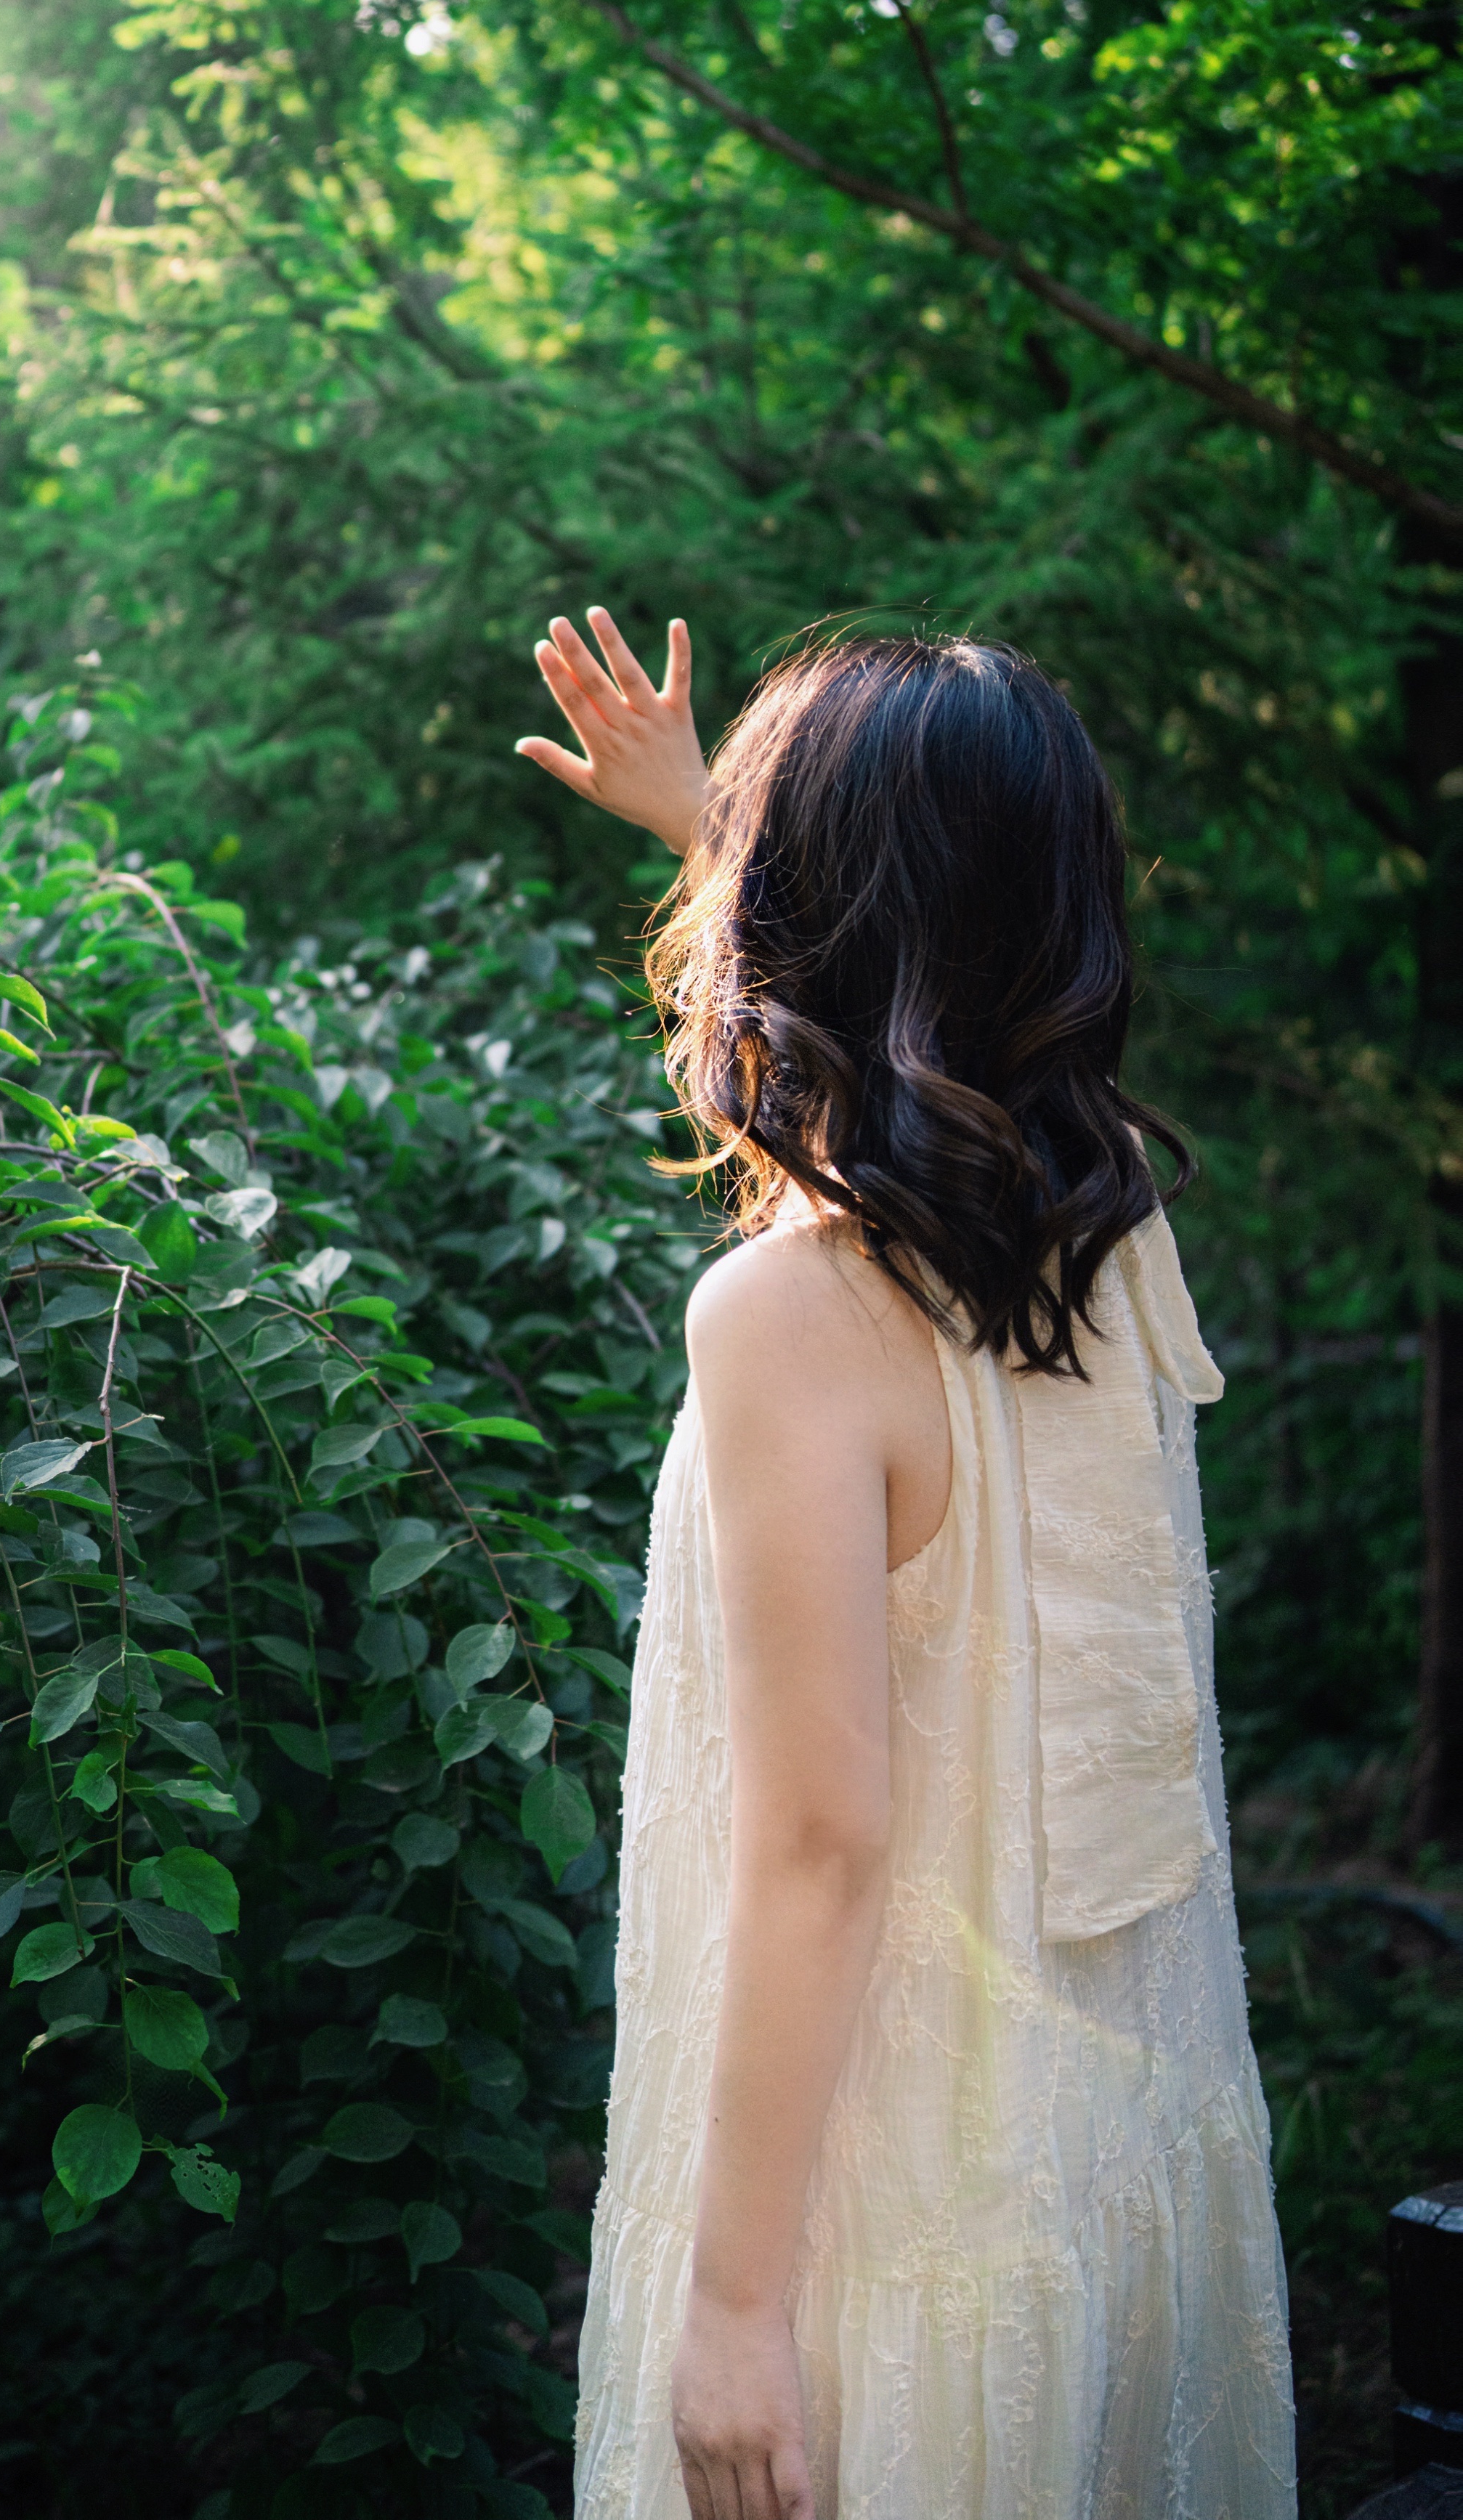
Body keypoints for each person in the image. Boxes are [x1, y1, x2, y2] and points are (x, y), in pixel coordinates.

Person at [516, 611, 1297, 2520]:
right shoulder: (1096, 1218)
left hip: (885, 2217)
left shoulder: (786, 1315)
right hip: (1098, 2155)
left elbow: (819, 1841)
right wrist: (712, 821)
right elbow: (933, 968)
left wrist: (731, 2307)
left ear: (788, 911)